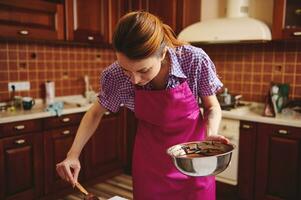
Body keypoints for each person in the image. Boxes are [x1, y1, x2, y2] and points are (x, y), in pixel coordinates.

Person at [56, 11, 229, 200]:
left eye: (143, 70)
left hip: (194, 163)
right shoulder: (114, 75)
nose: (135, 79)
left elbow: (211, 107)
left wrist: (210, 133)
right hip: (151, 165)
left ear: (162, 53)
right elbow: (95, 112)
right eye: (126, 70)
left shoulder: (193, 60)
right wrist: (73, 154)